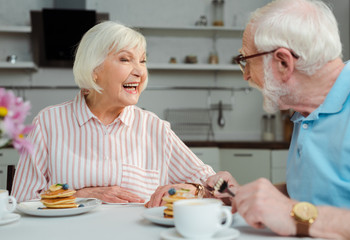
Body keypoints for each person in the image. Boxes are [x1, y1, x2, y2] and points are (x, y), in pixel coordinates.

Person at [11, 21, 215, 203]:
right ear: (94, 69)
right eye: (126, 60)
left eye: (142, 61)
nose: (140, 71)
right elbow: (21, 200)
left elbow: (211, 184)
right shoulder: (49, 123)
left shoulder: (154, 128)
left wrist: (193, 189)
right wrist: (79, 195)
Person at [206, 0, 350, 239]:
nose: (246, 75)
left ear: (283, 63)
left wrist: (293, 215)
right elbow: (324, 195)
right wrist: (247, 196)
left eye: (246, 60)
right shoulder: (305, 111)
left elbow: (297, 212)